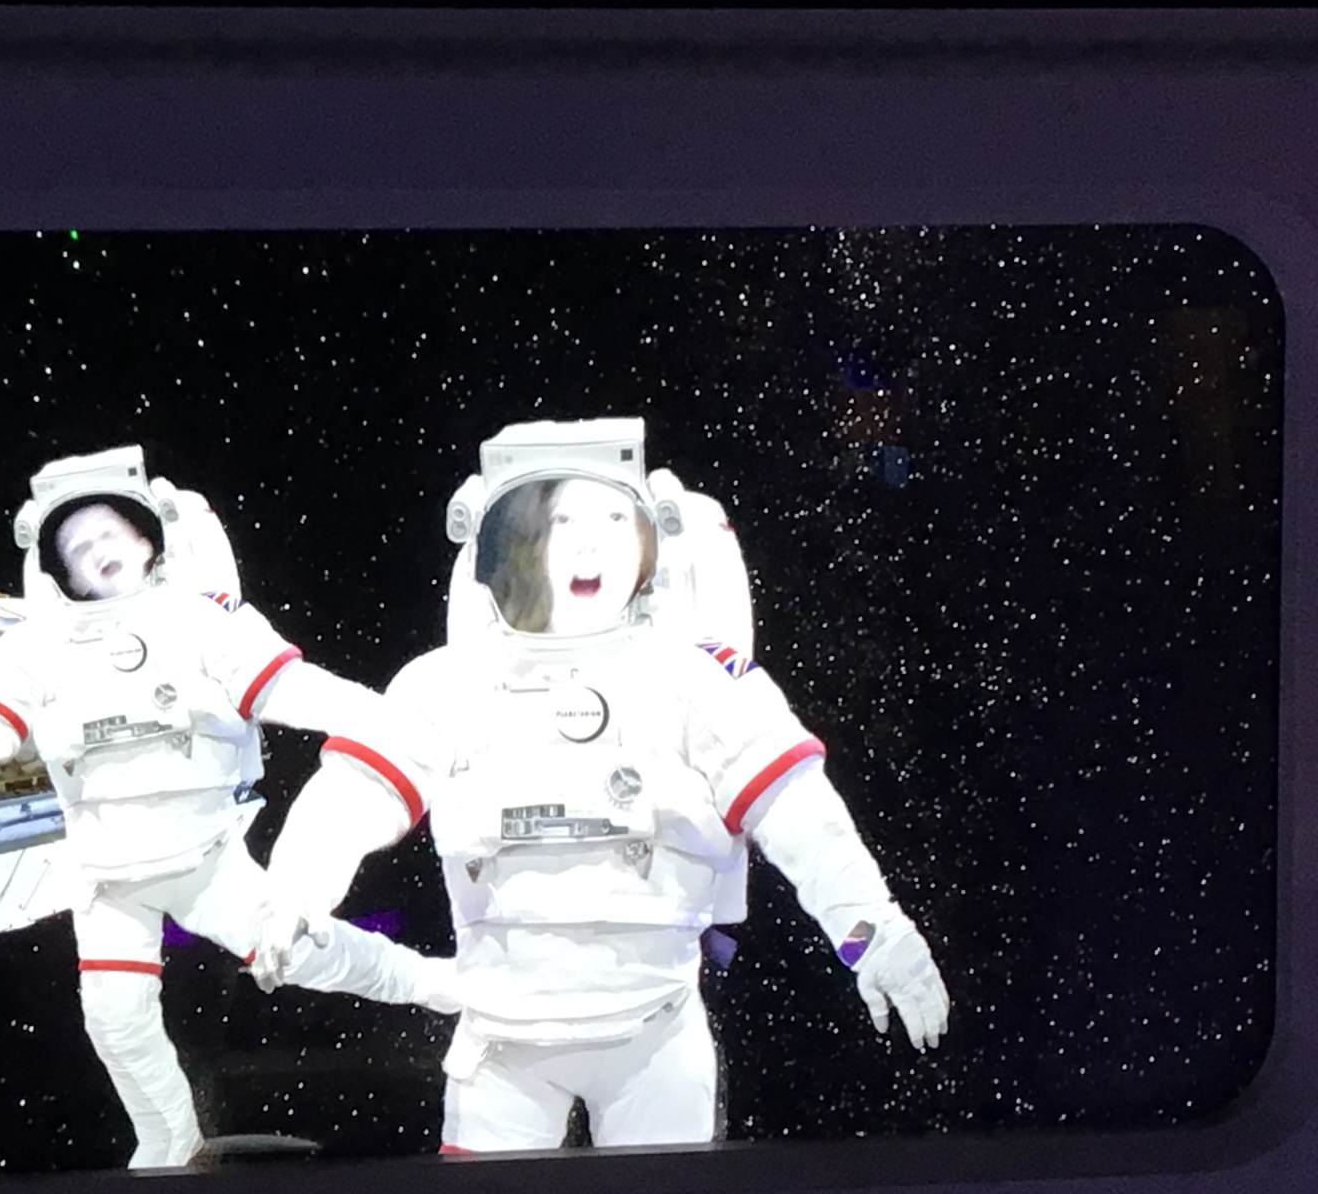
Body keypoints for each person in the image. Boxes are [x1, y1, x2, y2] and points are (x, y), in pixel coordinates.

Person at [256, 417, 949, 1155]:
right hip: (502, 1042)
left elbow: (801, 816)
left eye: (614, 521)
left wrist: (878, 937)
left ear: (649, 542)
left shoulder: (693, 680)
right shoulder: (448, 684)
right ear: (514, 544)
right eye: (562, 523)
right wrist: (294, 890)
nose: (591, 545)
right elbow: (353, 794)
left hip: (655, 1033)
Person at [0, 446, 457, 1170]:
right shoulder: (35, 647)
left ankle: (429, 984)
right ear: (61, 573)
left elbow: (290, 689)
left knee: (302, 954)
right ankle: (168, 1140)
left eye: (108, 534)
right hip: (107, 878)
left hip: (203, 860)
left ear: (147, 539)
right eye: (78, 548)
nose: (97, 551)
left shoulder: (199, 621)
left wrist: (387, 721)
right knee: (114, 1021)